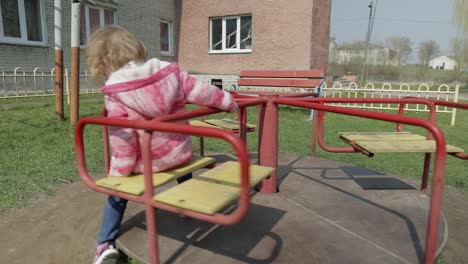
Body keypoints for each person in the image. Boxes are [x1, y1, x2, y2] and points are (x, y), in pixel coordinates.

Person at [85, 25, 238, 264]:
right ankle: (191, 206)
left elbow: (123, 141)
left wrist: (120, 174)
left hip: (148, 163)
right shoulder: (170, 72)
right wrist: (227, 101)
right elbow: (202, 91)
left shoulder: (115, 92)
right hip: (179, 152)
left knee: (118, 192)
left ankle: (105, 244)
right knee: (182, 163)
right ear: (135, 48)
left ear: (102, 62)